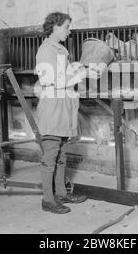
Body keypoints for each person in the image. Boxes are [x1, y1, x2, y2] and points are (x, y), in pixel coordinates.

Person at [35, 12, 104, 214]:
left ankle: (61, 193)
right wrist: (83, 73)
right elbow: (53, 81)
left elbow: (66, 75)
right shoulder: (45, 50)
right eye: (66, 27)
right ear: (55, 27)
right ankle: (48, 200)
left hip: (64, 108)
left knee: (62, 155)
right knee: (50, 157)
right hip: (52, 109)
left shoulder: (62, 50)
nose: (69, 30)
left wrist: (81, 70)